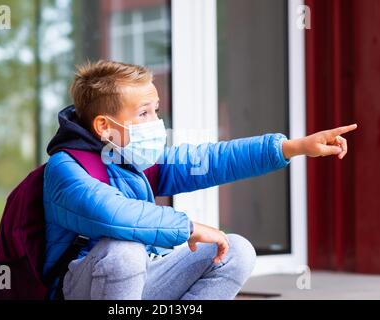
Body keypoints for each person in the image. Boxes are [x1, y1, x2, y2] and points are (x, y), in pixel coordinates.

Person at [42, 60, 357, 300]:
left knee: (235, 250)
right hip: (84, 286)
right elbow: (112, 213)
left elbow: (213, 160)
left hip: (141, 279)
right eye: (143, 113)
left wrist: (293, 147)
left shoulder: (134, 159)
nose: (156, 122)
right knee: (124, 251)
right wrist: (188, 228)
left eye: (155, 110)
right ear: (103, 125)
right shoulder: (67, 169)